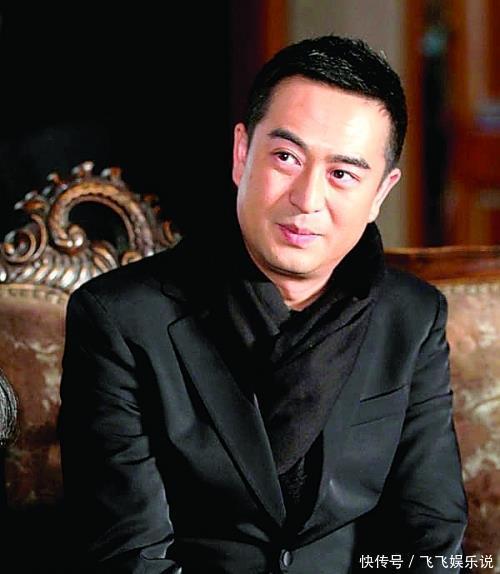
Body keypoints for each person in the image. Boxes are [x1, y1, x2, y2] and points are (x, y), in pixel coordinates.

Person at [58, 35, 467, 573]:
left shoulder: (411, 319)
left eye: (342, 174)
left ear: (380, 193)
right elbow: (130, 557)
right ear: (241, 154)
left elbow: (430, 541)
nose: (307, 198)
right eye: (286, 157)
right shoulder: (121, 319)